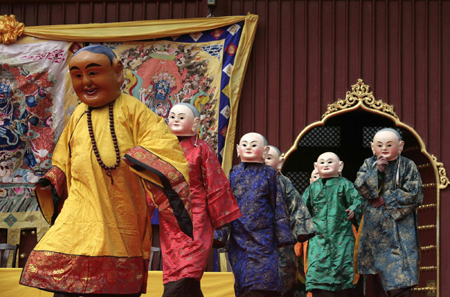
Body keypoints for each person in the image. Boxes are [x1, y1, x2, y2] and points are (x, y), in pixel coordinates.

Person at [19, 45, 193, 297]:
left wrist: (139, 158)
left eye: (94, 73)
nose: (86, 82)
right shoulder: (78, 115)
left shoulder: (135, 112)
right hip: (77, 215)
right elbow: (63, 161)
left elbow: (168, 154)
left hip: (119, 216)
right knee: (64, 282)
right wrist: (53, 179)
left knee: (113, 286)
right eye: (77, 75)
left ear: (118, 72)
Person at [159, 102, 241, 297]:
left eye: (181, 117)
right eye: (172, 116)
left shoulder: (202, 149)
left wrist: (220, 220)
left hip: (196, 217)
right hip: (170, 217)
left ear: (195, 123)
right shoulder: (161, 148)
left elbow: (216, 183)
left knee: (188, 269)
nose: (176, 120)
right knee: (177, 271)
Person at [214, 132, 294, 297]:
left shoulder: (269, 174)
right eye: (244, 144)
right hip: (239, 237)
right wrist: (220, 234)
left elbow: (278, 203)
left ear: (265, 152)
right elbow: (227, 205)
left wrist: (283, 236)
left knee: (263, 282)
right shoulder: (234, 172)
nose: (248, 147)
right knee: (244, 280)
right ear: (237, 149)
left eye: (253, 144)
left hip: (264, 238)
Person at [354, 128, 423, 297]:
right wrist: (377, 171)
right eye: (379, 145)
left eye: (389, 144)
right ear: (372, 147)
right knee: (376, 275)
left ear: (400, 146)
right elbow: (360, 186)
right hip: (375, 229)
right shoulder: (368, 164)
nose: (384, 148)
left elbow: (415, 193)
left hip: (399, 229)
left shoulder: (407, 166)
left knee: (400, 273)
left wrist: (387, 199)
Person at [303, 152, 364, 297]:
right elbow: (301, 210)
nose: (325, 164)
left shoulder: (345, 185)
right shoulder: (312, 189)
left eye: (330, 162)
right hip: (318, 241)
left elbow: (359, 201)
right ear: (316, 167)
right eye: (322, 162)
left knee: (342, 278)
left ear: (340, 166)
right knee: (318, 277)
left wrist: (354, 210)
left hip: (341, 239)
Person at [265, 145, 315, 297]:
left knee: (282, 282)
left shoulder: (284, 182)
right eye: (263, 158)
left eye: (269, 158)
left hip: (281, 241)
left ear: (279, 163)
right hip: (254, 240)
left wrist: (301, 233)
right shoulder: (243, 179)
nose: (265, 162)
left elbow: (297, 208)